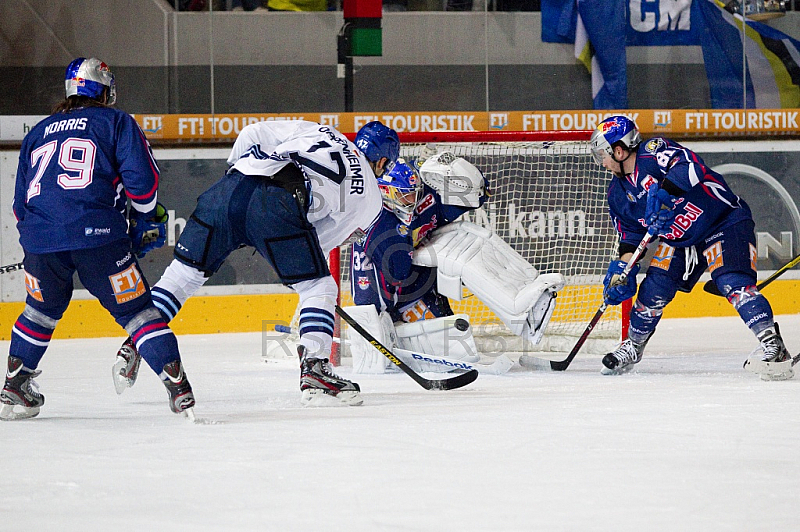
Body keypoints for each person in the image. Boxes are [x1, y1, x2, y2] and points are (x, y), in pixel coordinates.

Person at [113, 120, 398, 406]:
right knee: (318, 287)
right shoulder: (370, 195)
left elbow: (252, 132)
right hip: (276, 205)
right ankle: (315, 370)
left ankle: (137, 341)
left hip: (227, 189)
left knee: (181, 277)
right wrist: (291, 260)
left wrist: (238, 183)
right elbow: (322, 238)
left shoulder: (324, 130)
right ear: (382, 161)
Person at [1, 57, 195, 421]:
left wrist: (42, 238)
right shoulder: (116, 122)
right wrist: (142, 218)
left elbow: (19, 206)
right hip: (100, 238)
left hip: (40, 242)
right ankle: (178, 386)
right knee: (137, 312)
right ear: (104, 90)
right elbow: (144, 185)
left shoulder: (37, 132)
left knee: (39, 310)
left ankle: (14, 387)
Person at [591, 115, 794, 380]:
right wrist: (624, 266)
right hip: (681, 239)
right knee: (654, 288)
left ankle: (773, 345)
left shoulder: (653, 154)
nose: (601, 162)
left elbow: (690, 165)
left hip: (722, 220)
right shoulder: (617, 194)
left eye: (602, 154)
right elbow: (631, 235)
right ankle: (633, 345)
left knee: (733, 282)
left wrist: (666, 192)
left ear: (618, 150)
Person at [347, 151, 564, 374]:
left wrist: (463, 178)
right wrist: (408, 237)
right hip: (388, 303)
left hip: (413, 281)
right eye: (405, 196)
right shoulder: (380, 222)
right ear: (387, 193)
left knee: (472, 242)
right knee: (451, 340)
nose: (412, 200)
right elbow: (399, 268)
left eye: (414, 193)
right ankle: (518, 309)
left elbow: (477, 196)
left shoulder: (418, 200)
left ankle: (525, 304)